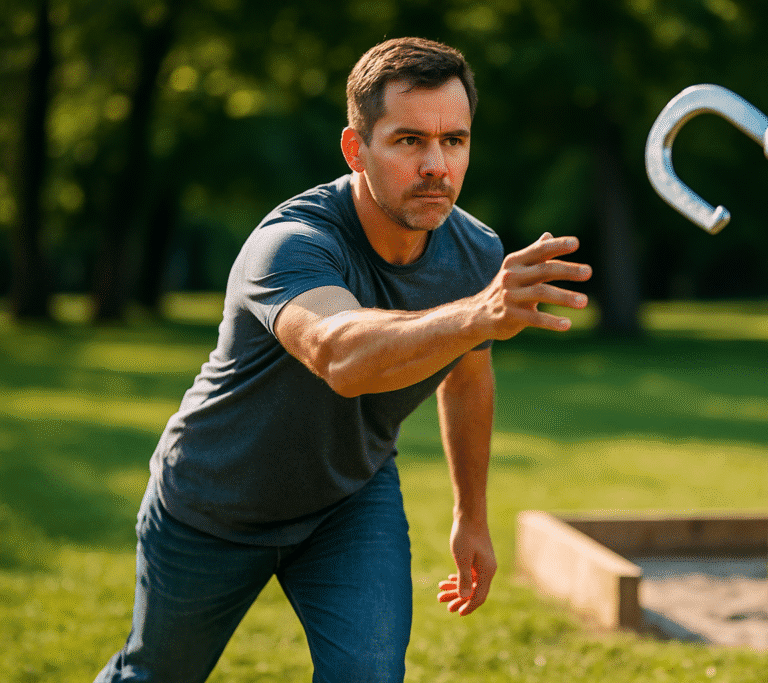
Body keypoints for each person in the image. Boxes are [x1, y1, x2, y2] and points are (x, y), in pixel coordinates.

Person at [94, 36, 591, 683]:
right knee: (154, 675)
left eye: (455, 140)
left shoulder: (474, 252)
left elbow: (468, 375)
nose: (437, 164)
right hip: (214, 504)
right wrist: (477, 312)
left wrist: (471, 514)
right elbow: (341, 355)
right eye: (409, 141)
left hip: (347, 500)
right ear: (357, 149)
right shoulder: (290, 243)